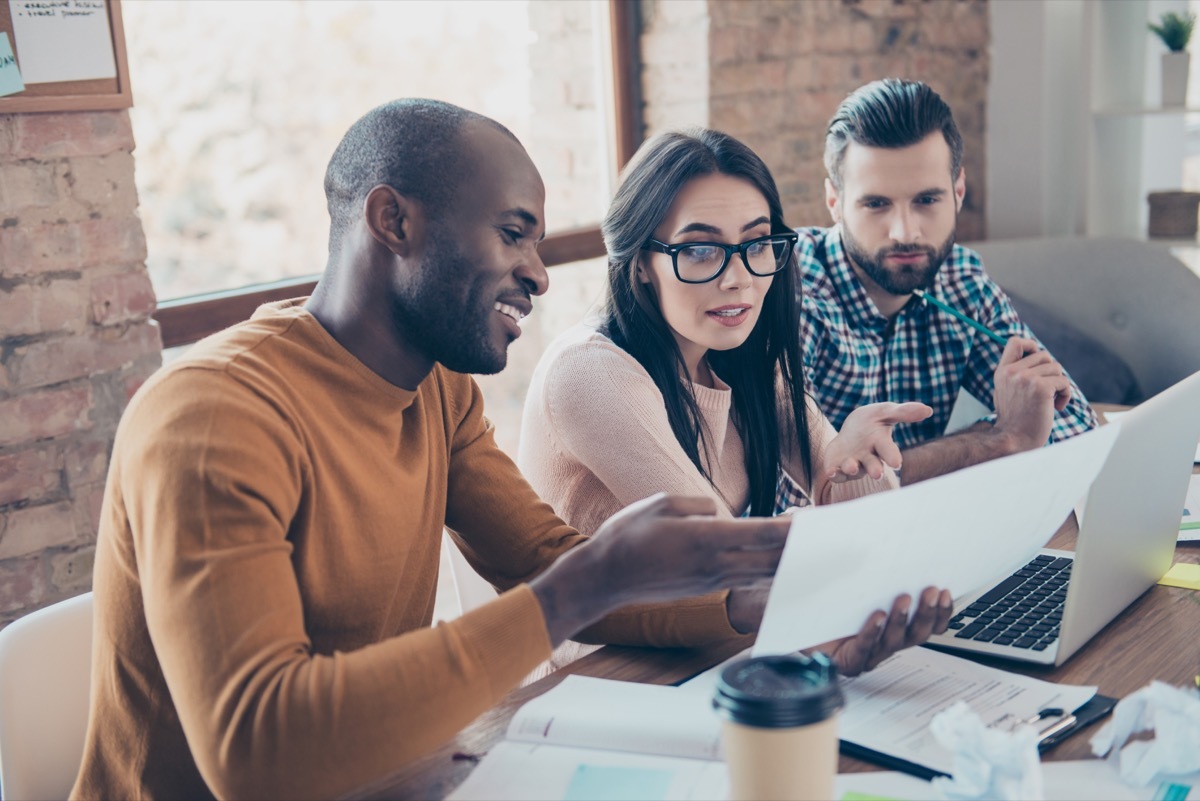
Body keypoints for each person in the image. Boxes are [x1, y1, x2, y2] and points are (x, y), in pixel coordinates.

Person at [69, 100, 941, 801]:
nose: (539, 271)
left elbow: (543, 561)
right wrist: (590, 579)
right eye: (513, 232)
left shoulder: (438, 392)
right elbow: (253, 752)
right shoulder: (213, 414)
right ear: (392, 221)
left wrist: (765, 617)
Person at [518, 126, 951, 671]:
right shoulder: (591, 373)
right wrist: (829, 614)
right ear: (639, 264)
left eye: (756, 242)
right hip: (606, 678)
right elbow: (725, 559)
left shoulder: (737, 356)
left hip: (715, 650)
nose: (740, 278)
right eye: (700, 250)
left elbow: (878, 538)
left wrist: (850, 461)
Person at [797, 78, 1098, 484]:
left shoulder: (961, 280)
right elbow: (806, 488)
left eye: (926, 200)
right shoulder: (792, 295)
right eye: (876, 203)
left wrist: (1005, 436)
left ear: (958, 191)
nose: (905, 232)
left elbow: (1073, 423)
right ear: (834, 202)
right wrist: (998, 439)